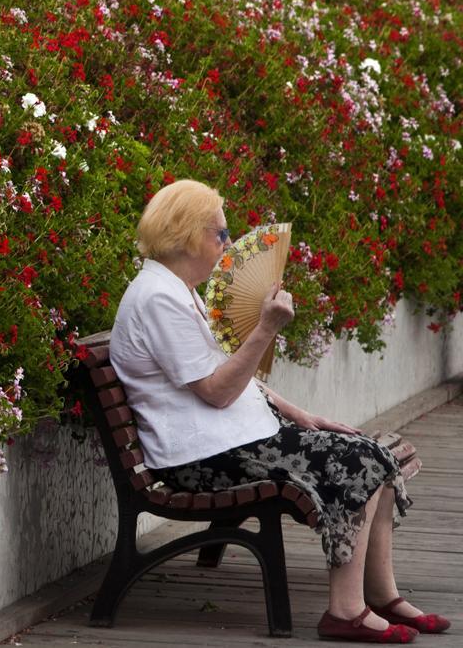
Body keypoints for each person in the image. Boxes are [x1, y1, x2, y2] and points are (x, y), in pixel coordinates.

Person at [108, 179, 450, 643]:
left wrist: (298, 413)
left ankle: (379, 594)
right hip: (202, 459)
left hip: (228, 441)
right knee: (357, 461)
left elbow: (225, 378)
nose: (227, 244)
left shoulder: (176, 289)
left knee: (368, 451)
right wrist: (266, 327)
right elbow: (216, 391)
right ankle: (346, 611)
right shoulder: (158, 298)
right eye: (220, 234)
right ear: (189, 235)